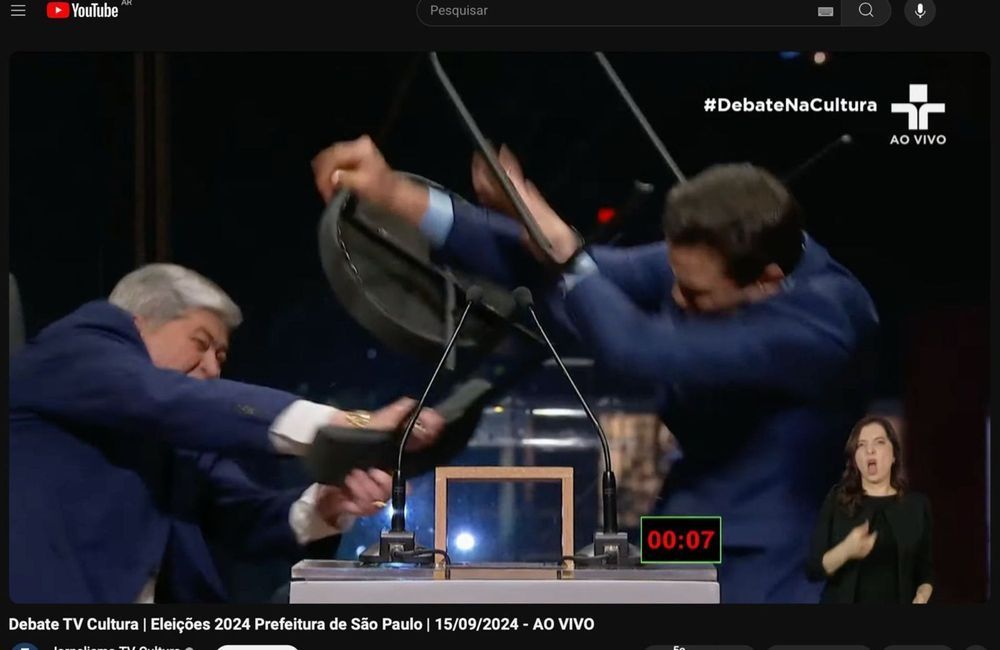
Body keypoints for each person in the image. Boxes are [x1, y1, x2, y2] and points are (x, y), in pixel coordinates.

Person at [309, 136, 880, 603]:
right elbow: (576, 268)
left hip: (770, 561)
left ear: (768, 281)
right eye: (675, 280)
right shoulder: (726, 257)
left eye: (697, 295)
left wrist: (562, 249)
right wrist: (395, 193)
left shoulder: (826, 323)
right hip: (686, 524)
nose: (676, 298)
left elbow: (640, 346)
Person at [8, 263, 445, 603]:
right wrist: (351, 424)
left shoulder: (177, 433)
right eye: (200, 344)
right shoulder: (80, 347)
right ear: (138, 324)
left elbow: (244, 514)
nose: (212, 369)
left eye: (221, 356)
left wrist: (327, 505)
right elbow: (169, 399)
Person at [807, 416, 933, 603]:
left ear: (894, 455)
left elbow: (926, 572)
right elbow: (813, 569)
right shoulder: (837, 500)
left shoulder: (917, 505)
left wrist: (923, 595)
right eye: (861, 445)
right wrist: (846, 550)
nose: (870, 450)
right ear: (855, 458)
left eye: (879, 442)